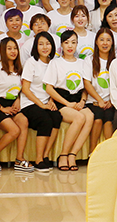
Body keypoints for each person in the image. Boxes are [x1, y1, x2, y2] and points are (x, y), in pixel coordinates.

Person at [43, 30, 94, 171]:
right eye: (66, 43)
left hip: (77, 99)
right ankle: (63, 155)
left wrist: (83, 101)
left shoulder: (82, 63)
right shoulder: (55, 63)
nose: (70, 46)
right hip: (62, 101)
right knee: (79, 118)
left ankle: (73, 154)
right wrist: (67, 104)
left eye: (73, 42)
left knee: (90, 116)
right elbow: (49, 88)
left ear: (77, 44)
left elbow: (86, 86)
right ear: (61, 45)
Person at [0, 37, 30, 172]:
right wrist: (1, 108)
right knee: (14, 130)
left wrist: (18, 100)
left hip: (13, 103)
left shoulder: (19, 68)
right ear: (3, 51)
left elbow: (21, 89)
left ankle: (19, 159)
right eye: (9, 48)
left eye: (15, 48)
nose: (13, 51)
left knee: (24, 121)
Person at [20, 32, 63, 172]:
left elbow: (53, 86)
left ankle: (45, 155)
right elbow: (25, 89)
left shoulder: (54, 63)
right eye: (41, 44)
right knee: (45, 120)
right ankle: (38, 159)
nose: (45, 47)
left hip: (46, 102)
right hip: (29, 103)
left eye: (48, 44)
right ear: (35, 46)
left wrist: (51, 101)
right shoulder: (31, 62)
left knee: (57, 117)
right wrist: (41, 105)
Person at [85, 28, 115, 153]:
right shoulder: (89, 60)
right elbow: (87, 83)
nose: (105, 43)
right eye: (102, 40)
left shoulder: (116, 61)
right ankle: (92, 152)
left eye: (108, 40)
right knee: (97, 119)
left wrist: (112, 101)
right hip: (93, 101)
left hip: (111, 102)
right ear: (96, 42)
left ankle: (109, 153)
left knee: (108, 120)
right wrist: (99, 100)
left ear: (112, 42)